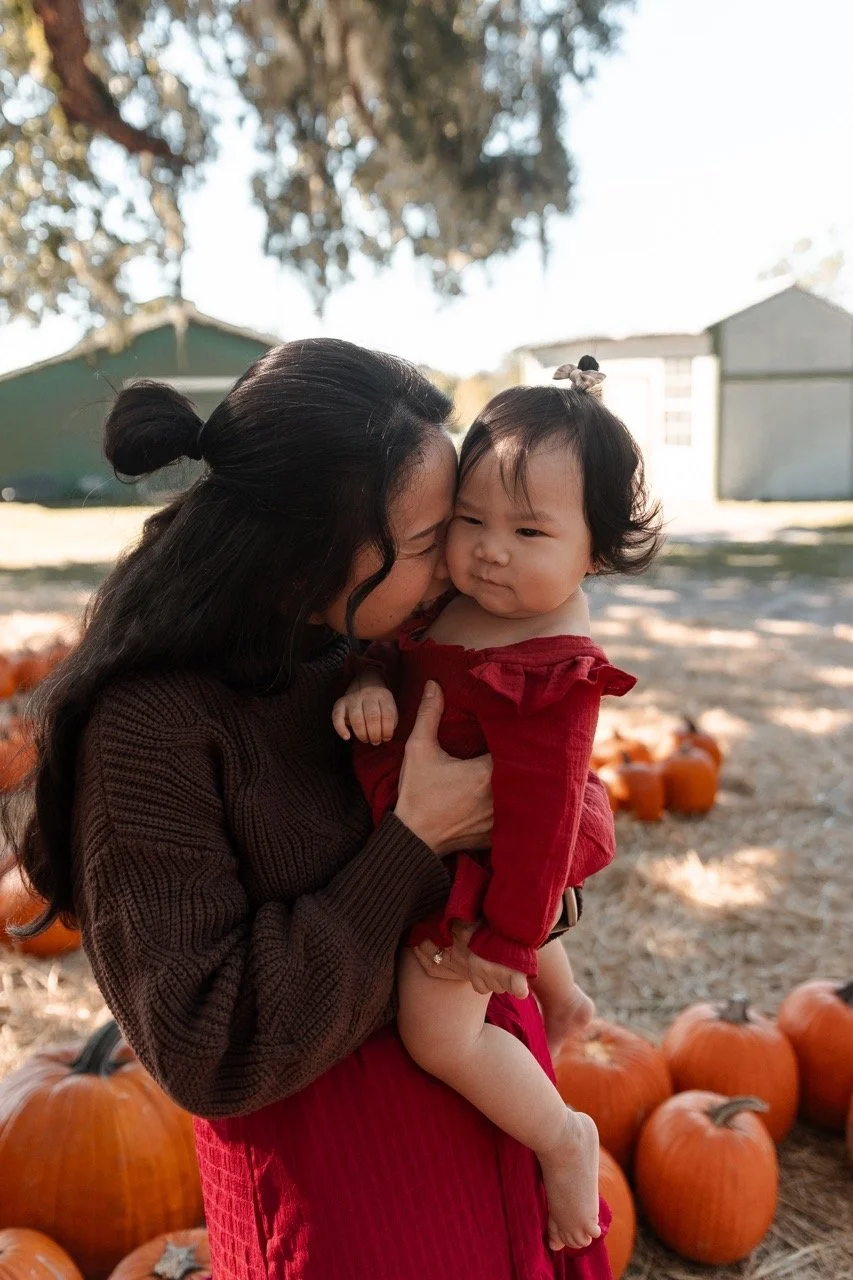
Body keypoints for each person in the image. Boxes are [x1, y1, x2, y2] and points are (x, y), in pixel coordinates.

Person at [5, 339, 617, 1280]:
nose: (456, 569)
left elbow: (560, 790)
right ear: (309, 555)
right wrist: (416, 843)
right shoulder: (151, 732)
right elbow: (208, 1049)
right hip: (353, 1204)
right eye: (426, 543)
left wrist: (533, 881)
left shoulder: (362, 639)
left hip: (496, 1113)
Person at [334, 358, 662, 1251]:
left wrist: (508, 940)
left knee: (437, 1036)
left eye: (526, 530)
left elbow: (544, 815)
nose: (489, 548)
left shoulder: (553, 662)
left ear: (591, 550)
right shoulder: (453, 597)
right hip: (444, 826)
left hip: (487, 862)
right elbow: (391, 651)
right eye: (470, 520)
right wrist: (369, 682)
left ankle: (563, 1138)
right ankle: (563, 1000)